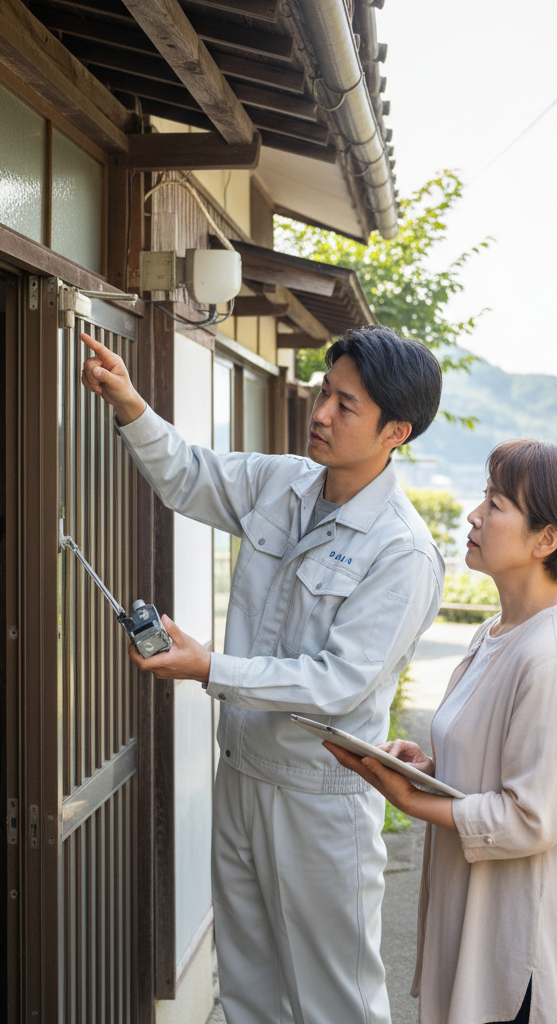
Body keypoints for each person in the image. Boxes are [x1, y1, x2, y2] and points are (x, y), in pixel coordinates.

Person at [80, 324, 445, 1024]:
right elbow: (187, 474)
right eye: (323, 392)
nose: (321, 413)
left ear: (396, 432)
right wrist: (128, 402)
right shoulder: (283, 483)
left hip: (320, 797)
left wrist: (208, 666)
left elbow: (337, 681)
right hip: (242, 774)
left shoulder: (401, 551)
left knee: (334, 1003)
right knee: (247, 991)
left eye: (345, 405)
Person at [325, 439, 557, 1024]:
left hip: (523, 947)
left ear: (546, 539)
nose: (474, 515)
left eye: (496, 504)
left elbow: (531, 816)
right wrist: (429, 770)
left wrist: (410, 799)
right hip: (480, 915)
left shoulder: (552, 657)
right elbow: (497, 763)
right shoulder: (496, 632)